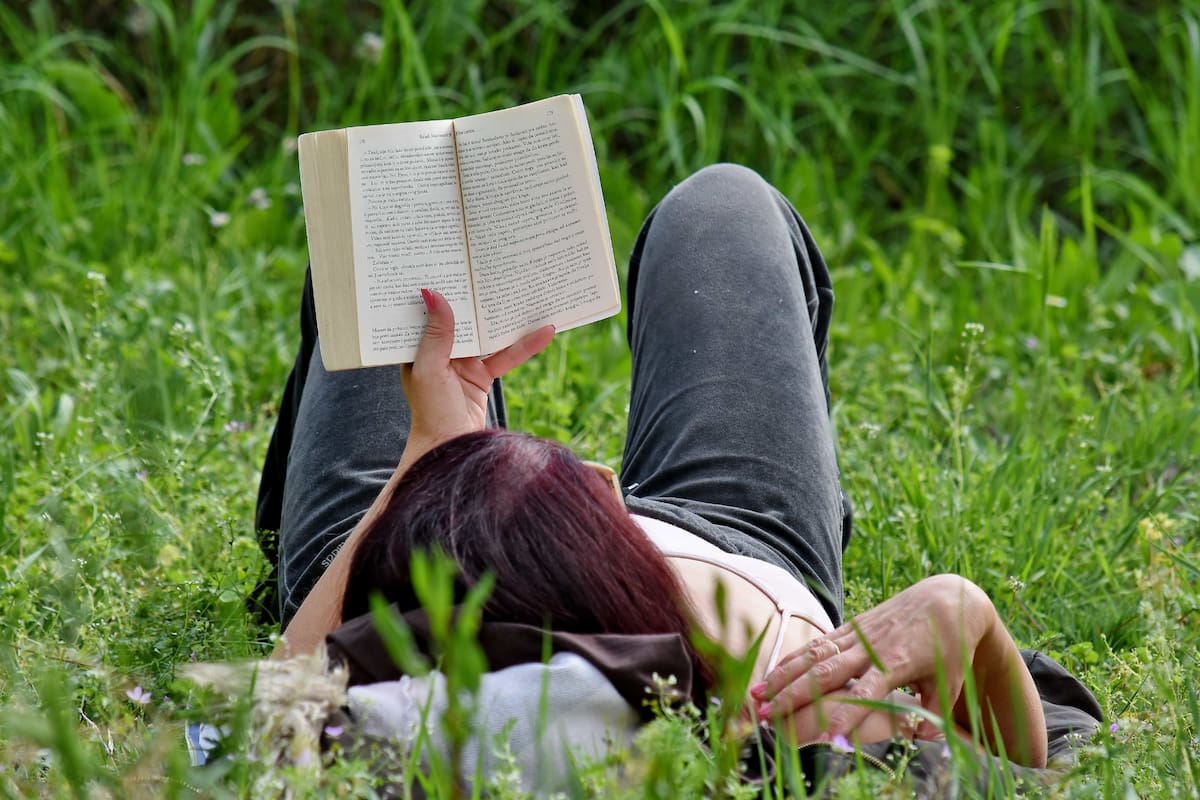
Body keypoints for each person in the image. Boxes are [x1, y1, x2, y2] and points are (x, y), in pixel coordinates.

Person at [253, 164, 1099, 786]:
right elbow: (1010, 771)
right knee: (724, 204)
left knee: (377, 280)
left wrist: (428, 455)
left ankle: (453, 475)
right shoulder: (790, 719)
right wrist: (964, 610)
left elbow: (280, 694)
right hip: (743, 544)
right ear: (612, 556)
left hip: (416, 547)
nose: (597, 467)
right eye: (591, 494)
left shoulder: (362, 696)